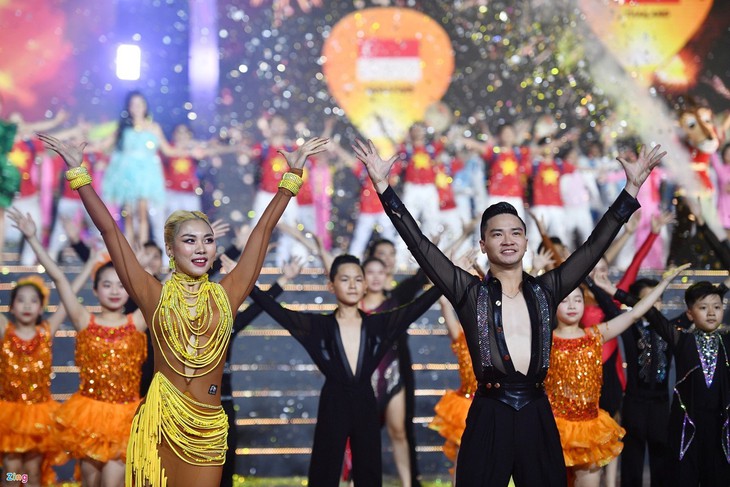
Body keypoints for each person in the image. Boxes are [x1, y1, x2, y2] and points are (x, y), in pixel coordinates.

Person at [353, 138, 666, 486]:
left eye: (516, 233)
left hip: (537, 412)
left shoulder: (547, 290)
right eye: (497, 234)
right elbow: (419, 244)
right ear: (483, 244)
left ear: (526, 242)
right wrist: (383, 188)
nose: (508, 240)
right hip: (489, 413)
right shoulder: (469, 293)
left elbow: (593, 248)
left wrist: (631, 189)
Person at [38, 132, 327, 487]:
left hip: (207, 430)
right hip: (160, 425)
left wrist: (291, 177)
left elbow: (263, 230)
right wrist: (78, 174)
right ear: (171, 250)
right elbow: (110, 231)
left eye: (208, 240)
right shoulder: (154, 295)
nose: (201, 248)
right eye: (189, 240)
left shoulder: (227, 294)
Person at [249, 254, 441, 487]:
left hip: (366, 403)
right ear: (331, 286)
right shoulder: (318, 327)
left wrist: (449, 278)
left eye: (358, 279)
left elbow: (417, 307)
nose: (352, 285)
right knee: (324, 471)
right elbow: (276, 310)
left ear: (365, 285)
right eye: (345, 279)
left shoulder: (378, 325)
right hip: (333, 402)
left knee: (369, 472)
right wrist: (245, 281)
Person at [7, 207, 146, 487]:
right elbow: (60, 279)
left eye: (121, 285)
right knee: (15, 474)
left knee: (110, 482)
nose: (115, 291)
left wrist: (140, 269)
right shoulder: (84, 320)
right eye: (107, 285)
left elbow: (160, 290)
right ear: (95, 290)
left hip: (124, 417)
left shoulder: (137, 322)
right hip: (86, 415)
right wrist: (32, 239)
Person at [545, 264, 687, 487]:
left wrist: (664, 283)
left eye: (578, 300)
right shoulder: (544, 340)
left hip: (588, 429)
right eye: (565, 301)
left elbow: (636, 313)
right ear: (553, 304)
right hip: (553, 426)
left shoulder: (596, 335)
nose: (572, 305)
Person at [0, 257, 93, 487]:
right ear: (11, 306)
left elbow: (69, 296)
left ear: (41, 307)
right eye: (21, 300)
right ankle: (13, 482)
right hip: (10, 415)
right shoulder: (6, 332)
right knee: (12, 470)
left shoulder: (45, 333)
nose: (27, 306)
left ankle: (27, 481)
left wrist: (90, 263)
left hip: (39, 415)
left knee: (32, 471)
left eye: (33, 301)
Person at [646, 281, 730, 486]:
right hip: (687, 428)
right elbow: (651, 313)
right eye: (703, 307)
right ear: (690, 314)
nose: (711, 313)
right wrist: (665, 282)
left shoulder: (727, 343)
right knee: (684, 478)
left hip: (719, 428)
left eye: (717, 307)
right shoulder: (682, 341)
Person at [101, 91, 201, 247]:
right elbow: (104, 145)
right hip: (127, 175)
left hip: (146, 176)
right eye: (133, 104)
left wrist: (189, 152)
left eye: (140, 104)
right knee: (128, 215)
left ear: (145, 106)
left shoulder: (154, 127)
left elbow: (168, 150)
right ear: (128, 107)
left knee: (142, 214)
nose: (137, 108)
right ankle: (129, 250)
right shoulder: (123, 128)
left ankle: (142, 250)